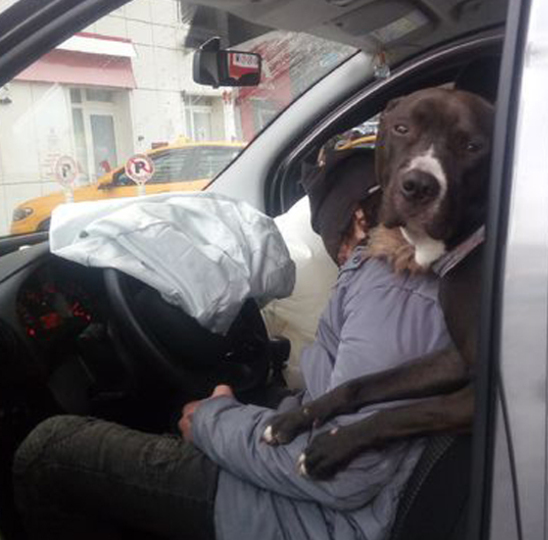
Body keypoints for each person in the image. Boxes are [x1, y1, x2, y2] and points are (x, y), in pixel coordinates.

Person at [12, 143, 452, 540]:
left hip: (318, 519)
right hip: (332, 496)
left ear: (357, 217)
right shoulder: (409, 277)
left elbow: (342, 473)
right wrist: (254, 413)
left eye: (336, 244)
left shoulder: (394, 285)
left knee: (51, 451)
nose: (341, 259)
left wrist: (215, 420)